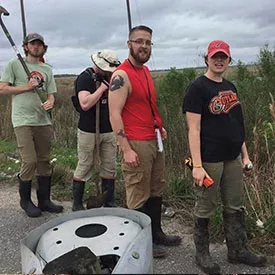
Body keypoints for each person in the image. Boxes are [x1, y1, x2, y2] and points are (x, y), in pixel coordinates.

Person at [183, 40, 266, 273]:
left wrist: (246, 156)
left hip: (233, 157)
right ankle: (202, 254)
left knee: (235, 205)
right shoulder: (198, 88)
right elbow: (193, 129)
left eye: (224, 57)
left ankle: (237, 250)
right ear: (206, 59)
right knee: (205, 206)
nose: (219, 60)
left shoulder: (231, 86)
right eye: (215, 56)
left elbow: (237, 126)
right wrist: (197, 165)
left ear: (229, 60)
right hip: (209, 158)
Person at [108, 25, 181, 258]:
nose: (144, 46)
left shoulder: (146, 71)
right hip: (136, 142)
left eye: (148, 42)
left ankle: (156, 233)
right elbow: (114, 114)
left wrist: (159, 125)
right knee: (138, 191)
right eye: (139, 41)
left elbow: (145, 104)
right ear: (129, 44)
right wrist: (126, 149)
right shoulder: (121, 75)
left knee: (156, 188)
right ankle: (139, 243)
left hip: (153, 139)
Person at [0, 32, 63, 217]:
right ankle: (25, 201)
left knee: (44, 160)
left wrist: (50, 101)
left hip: (43, 120)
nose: (36, 47)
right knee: (29, 160)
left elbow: (51, 93)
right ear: (26, 46)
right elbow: (2, 88)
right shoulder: (15, 65)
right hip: (22, 120)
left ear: (43, 48)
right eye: (32, 44)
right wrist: (26, 87)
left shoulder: (47, 69)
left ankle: (44, 201)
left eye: (39, 44)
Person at [72, 50, 120, 211]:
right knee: (86, 164)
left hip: (109, 129)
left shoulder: (111, 77)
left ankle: (109, 201)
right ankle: (77, 204)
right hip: (88, 130)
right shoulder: (85, 78)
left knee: (110, 165)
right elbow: (84, 104)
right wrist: (101, 90)